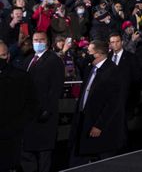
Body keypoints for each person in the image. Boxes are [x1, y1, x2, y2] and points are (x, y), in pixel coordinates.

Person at [68, 40, 125, 167]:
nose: (86, 54)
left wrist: (99, 125)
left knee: (103, 161)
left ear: (98, 54)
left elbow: (113, 103)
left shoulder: (113, 71)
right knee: (77, 159)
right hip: (84, 120)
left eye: (89, 52)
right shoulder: (90, 68)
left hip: (100, 126)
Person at [21, 31, 65, 172]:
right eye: (35, 39)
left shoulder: (54, 60)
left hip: (45, 114)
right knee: (27, 150)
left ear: (47, 42)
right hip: (29, 114)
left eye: (41, 40)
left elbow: (56, 87)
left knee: (44, 152)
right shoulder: (28, 60)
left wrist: (48, 109)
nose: (38, 42)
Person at [0, 41, 38, 172]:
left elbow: (32, 104)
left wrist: (19, 125)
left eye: (3, 55)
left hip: (14, 138)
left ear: (9, 56)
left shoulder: (22, 77)